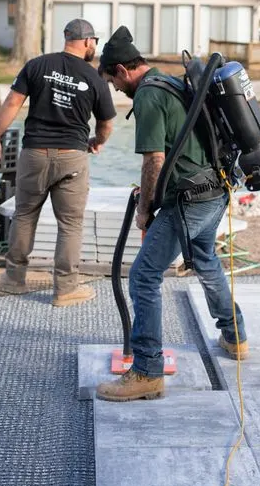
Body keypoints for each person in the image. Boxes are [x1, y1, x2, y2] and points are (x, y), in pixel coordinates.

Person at [95, 26, 247, 402]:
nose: (115, 90)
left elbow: (154, 158)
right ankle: (235, 336)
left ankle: (147, 372)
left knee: (144, 277)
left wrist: (145, 210)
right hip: (216, 191)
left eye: (113, 82)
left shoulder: (147, 95)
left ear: (121, 70)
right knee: (207, 261)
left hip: (190, 202)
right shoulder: (170, 83)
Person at [0, 18, 116, 306]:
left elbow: (11, 103)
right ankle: (66, 289)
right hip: (72, 157)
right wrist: (98, 141)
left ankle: (14, 279)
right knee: (70, 224)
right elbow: (106, 123)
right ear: (87, 42)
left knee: (25, 214)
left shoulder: (37, 65)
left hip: (34, 153)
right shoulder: (94, 78)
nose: (95, 46)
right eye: (95, 41)